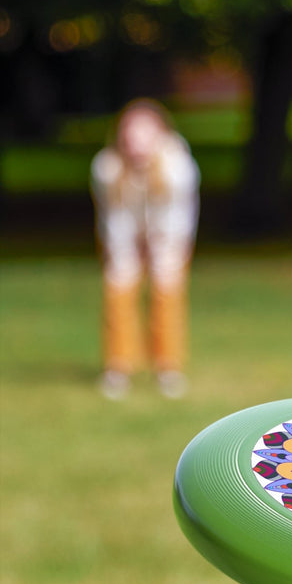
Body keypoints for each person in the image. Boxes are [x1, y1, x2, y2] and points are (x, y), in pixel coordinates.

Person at [91, 98, 200, 399]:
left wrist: (160, 249)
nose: (136, 142)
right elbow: (114, 217)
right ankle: (118, 367)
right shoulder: (107, 167)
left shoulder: (178, 167)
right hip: (123, 235)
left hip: (168, 236)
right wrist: (126, 252)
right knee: (118, 288)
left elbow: (177, 217)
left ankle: (168, 367)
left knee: (167, 292)